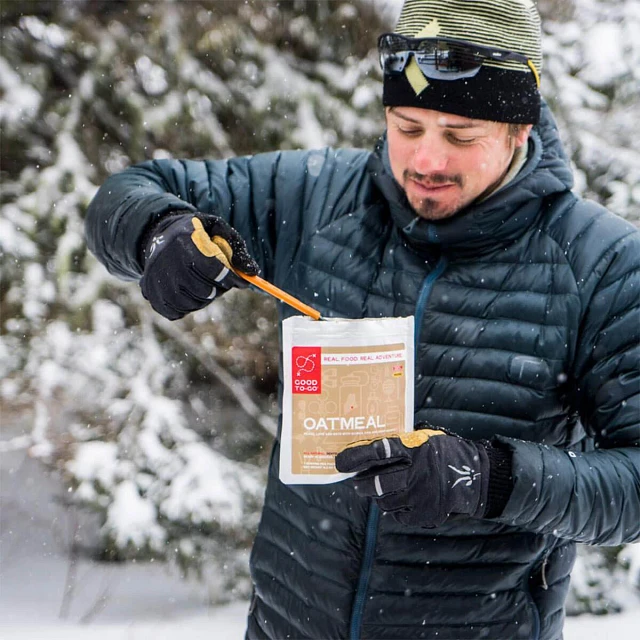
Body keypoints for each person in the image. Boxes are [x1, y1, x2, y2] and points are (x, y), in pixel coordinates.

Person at [85, 0, 640, 638]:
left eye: (460, 136)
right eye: (407, 126)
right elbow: (128, 191)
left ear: (520, 130)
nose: (426, 162)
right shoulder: (319, 197)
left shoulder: (602, 264)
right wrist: (157, 233)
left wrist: (490, 478)